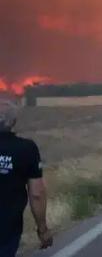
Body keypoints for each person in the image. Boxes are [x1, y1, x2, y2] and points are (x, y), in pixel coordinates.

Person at [0, 95, 52, 256]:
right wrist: (42, 229)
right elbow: (36, 194)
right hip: (6, 229)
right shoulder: (26, 149)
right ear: (13, 122)